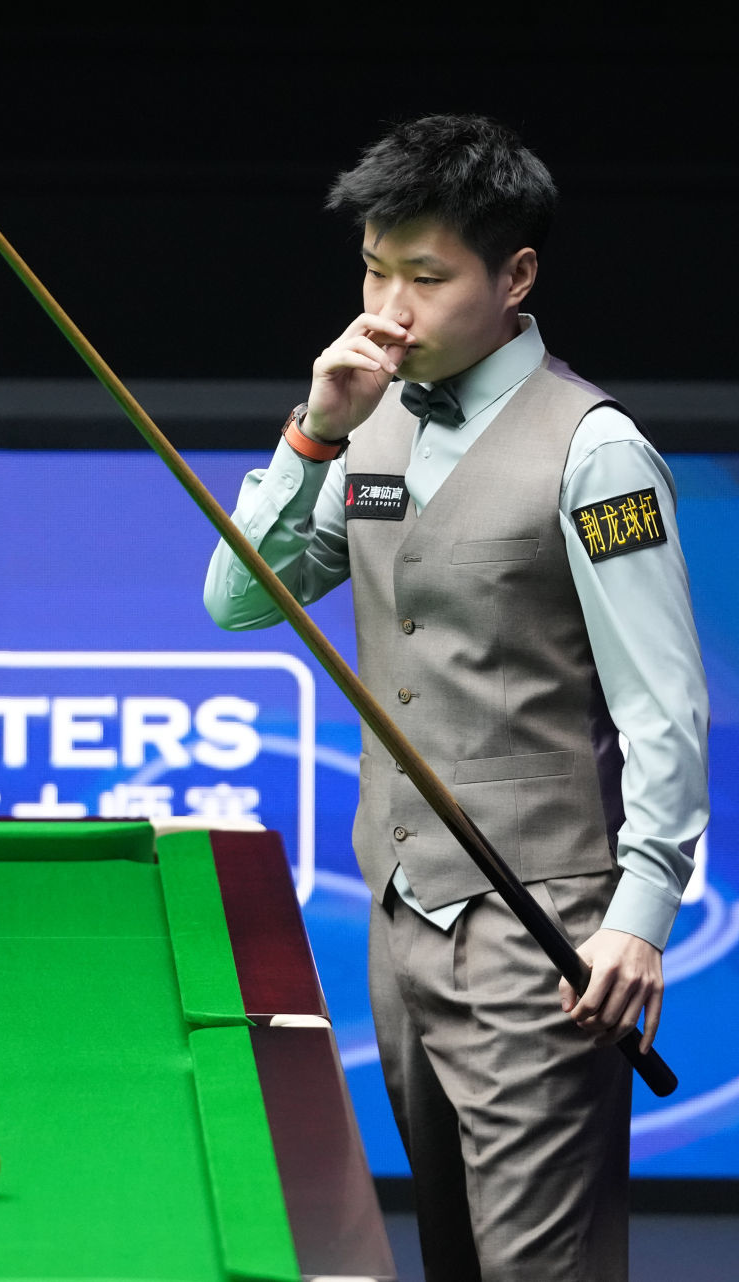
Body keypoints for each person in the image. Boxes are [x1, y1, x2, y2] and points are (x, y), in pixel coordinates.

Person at [204, 113, 709, 1282]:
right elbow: (236, 601)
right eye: (373, 271)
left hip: (548, 936)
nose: (390, 309)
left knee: (539, 1266)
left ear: (514, 276)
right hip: (402, 923)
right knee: (454, 1258)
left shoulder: (595, 451)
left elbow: (663, 706)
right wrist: (313, 433)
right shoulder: (365, 417)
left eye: (425, 277)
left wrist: (639, 915)